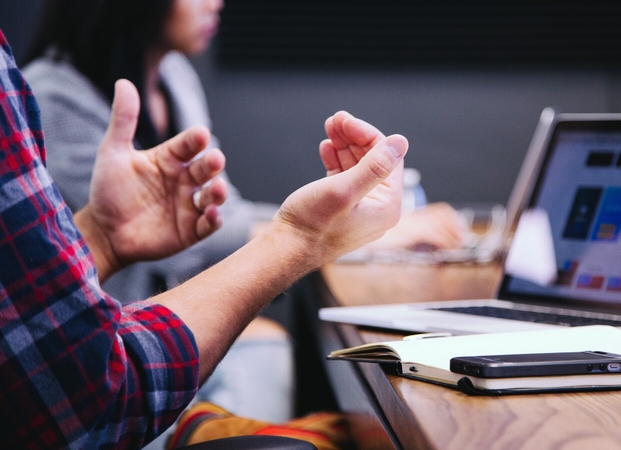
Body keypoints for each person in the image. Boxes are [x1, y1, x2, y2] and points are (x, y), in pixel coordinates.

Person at [22, 0, 467, 425]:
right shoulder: (51, 97)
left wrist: (332, 224)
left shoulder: (173, 75)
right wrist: (340, 231)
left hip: (162, 326)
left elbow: (217, 213)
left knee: (275, 351)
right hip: (102, 357)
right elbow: (190, 245)